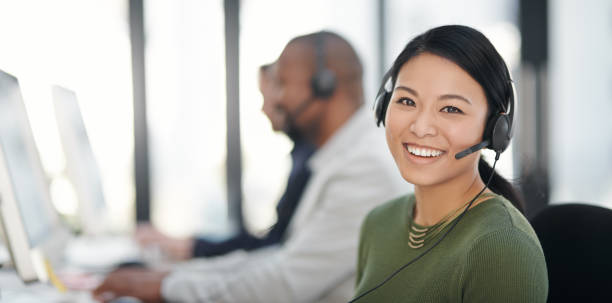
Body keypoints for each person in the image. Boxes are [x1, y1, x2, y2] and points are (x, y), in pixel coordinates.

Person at [94, 31, 406, 302]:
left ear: (324, 86)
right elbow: (281, 257)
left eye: (283, 84)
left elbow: (285, 282)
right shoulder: (341, 158)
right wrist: (172, 277)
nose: (277, 99)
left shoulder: (365, 169)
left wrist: (166, 285)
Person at [353, 25, 548, 302]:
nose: (420, 128)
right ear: (384, 106)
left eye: (451, 109)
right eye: (407, 101)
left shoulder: (501, 246)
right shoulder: (378, 223)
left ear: (495, 128)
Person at [135, 63, 316, 260]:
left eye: (269, 95)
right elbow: (273, 242)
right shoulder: (302, 155)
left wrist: (187, 252)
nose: (264, 108)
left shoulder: (313, 160)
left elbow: (273, 247)